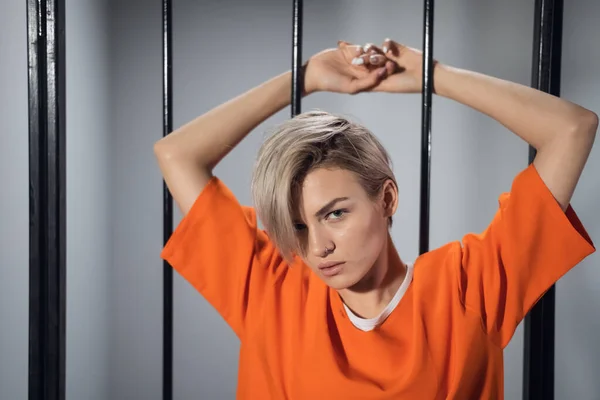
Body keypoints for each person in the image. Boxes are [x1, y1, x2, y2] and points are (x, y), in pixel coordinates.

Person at [154, 38, 597, 399]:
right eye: (300, 226)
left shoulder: (468, 287)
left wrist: (433, 75)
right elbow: (176, 153)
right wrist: (304, 76)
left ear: (386, 199)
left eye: (336, 214)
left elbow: (572, 129)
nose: (317, 246)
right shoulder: (272, 287)